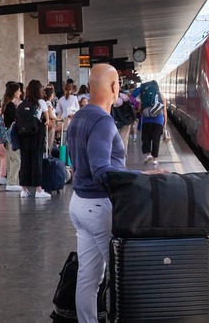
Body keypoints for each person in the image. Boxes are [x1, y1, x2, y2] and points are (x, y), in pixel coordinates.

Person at [67, 64, 165, 323]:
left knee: (88, 277)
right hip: (99, 207)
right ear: (114, 87)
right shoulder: (102, 121)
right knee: (122, 274)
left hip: (79, 203)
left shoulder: (80, 116)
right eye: (118, 84)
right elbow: (102, 171)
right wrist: (142, 176)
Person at [17, 80, 51, 199]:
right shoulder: (41, 102)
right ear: (39, 90)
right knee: (36, 160)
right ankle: (38, 189)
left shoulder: (23, 103)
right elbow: (47, 120)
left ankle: (23, 189)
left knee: (25, 160)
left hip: (23, 135)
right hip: (36, 135)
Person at [132, 81, 168, 166]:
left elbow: (140, 108)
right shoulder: (161, 95)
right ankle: (155, 159)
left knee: (146, 138)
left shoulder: (144, 95)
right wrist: (165, 122)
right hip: (159, 120)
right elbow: (164, 110)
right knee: (156, 139)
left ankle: (148, 154)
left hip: (146, 120)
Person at [1, 82, 23, 191]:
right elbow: (17, 119)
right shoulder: (11, 106)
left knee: (10, 158)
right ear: (14, 92)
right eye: (18, 90)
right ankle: (12, 182)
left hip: (7, 134)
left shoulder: (6, 104)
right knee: (16, 158)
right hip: (12, 134)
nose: (20, 92)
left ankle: (11, 180)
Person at [43, 85, 61, 151]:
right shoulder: (48, 103)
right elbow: (50, 115)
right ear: (51, 95)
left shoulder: (47, 103)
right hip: (51, 124)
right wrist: (58, 119)